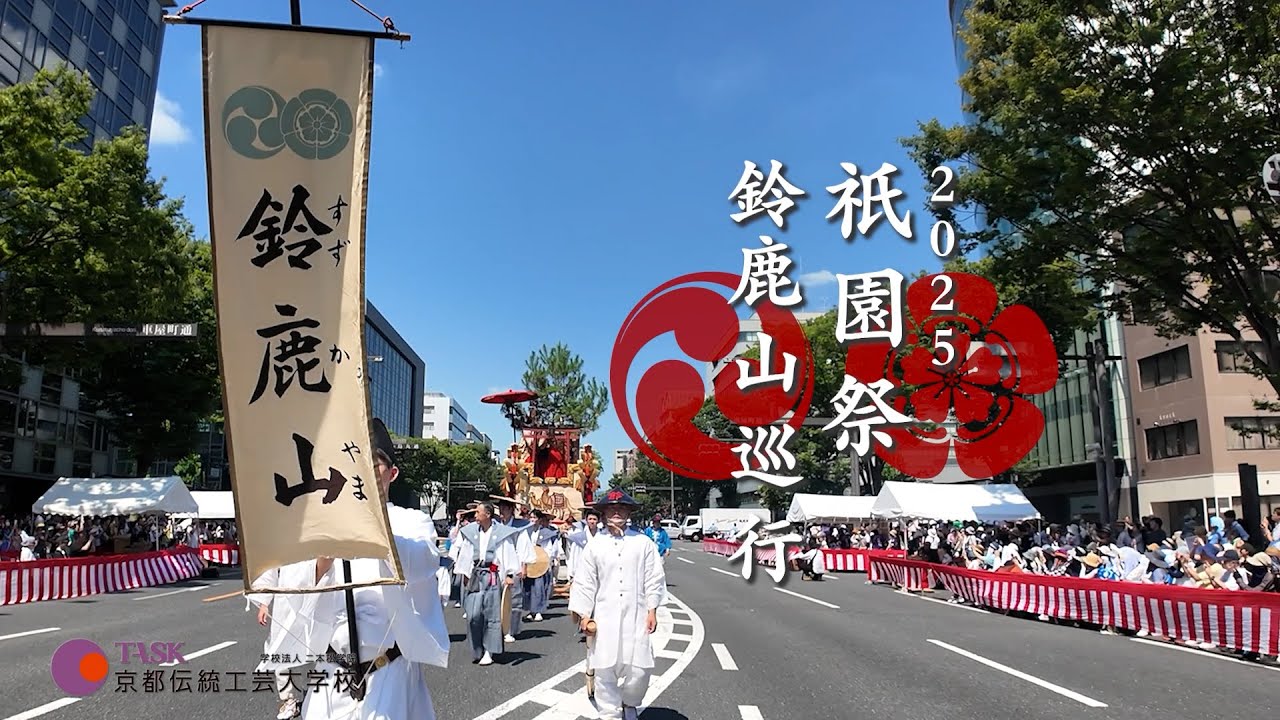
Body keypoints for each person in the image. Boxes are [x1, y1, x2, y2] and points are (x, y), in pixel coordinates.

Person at [277, 418, 450, 720]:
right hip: (331, 672)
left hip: (388, 670)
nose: (364, 473)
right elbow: (293, 587)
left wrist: (370, 531)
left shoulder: (411, 522)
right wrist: (322, 561)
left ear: (392, 474)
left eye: (375, 464)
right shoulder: (322, 523)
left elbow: (423, 561)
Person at [569, 489, 666, 720]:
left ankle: (630, 702)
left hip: (637, 612)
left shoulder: (643, 543)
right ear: (603, 513)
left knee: (640, 669)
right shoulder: (595, 545)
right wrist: (583, 615)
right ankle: (609, 712)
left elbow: (654, 577)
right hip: (605, 614)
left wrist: (652, 608)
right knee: (604, 667)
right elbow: (585, 581)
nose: (616, 512)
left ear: (629, 512)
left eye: (621, 508)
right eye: (611, 509)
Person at [453, 501, 522, 665]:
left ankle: (489, 651)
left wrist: (509, 574)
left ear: (488, 514)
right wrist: (464, 572)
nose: (475, 515)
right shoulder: (470, 532)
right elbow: (465, 554)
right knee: (473, 614)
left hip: (492, 576)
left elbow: (508, 554)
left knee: (492, 614)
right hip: (475, 575)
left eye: (478, 512)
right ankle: (477, 648)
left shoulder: (501, 533)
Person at [247, 562, 314, 720]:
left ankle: (315, 692)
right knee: (280, 649)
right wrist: (264, 602)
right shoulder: (280, 537)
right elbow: (269, 567)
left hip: (314, 593)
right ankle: (288, 699)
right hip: (285, 598)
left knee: (316, 646)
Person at [493, 496, 536, 642]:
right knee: (496, 598)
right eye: (500, 509)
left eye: (505, 508)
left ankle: (510, 629)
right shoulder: (496, 526)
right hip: (498, 566)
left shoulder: (520, 526)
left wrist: (523, 566)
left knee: (513, 599)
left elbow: (523, 547)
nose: (502, 512)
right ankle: (497, 628)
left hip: (514, 565)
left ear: (511, 510)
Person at [524, 510, 562, 623]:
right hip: (529, 562)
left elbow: (551, 549)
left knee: (539, 587)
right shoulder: (527, 532)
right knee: (529, 587)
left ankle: (539, 610)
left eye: (535, 518)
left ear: (540, 520)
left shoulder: (546, 532)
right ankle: (531, 610)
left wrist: (546, 560)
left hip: (541, 562)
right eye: (530, 517)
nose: (532, 520)